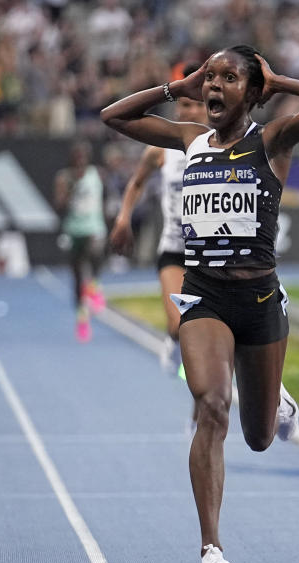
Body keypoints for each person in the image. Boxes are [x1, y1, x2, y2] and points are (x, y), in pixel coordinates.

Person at [101, 45, 299, 563]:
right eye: (209, 77)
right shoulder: (188, 140)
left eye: (228, 78)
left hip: (260, 300)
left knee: (259, 437)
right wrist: (178, 87)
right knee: (211, 405)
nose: (214, 86)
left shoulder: (273, 140)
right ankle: (210, 547)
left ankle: (276, 393)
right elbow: (113, 117)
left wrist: (282, 79)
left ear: (252, 91)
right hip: (205, 297)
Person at [109, 62, 206, 375]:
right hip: (175, 248)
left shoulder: (223, 147)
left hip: (210, 253)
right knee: (180, 325)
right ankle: (172, 338)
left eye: (192, 106)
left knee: (208, 339)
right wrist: (124, 217)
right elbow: (136, 182)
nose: (184, 113)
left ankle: (200, 411)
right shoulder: (162, 150)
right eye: (181, 106)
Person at [54, 140, 107, 343]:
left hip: (94, 227)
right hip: (74, 229)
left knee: (95, 254)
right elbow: (58, 205)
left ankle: (94, 286)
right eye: (77, 157)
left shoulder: (98, 174)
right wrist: (70, 189)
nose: (80, 161)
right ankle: (82, 318)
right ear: (72, 158)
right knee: (77, 278)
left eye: (84, 156)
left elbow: (102, 198)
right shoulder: (63, 177)